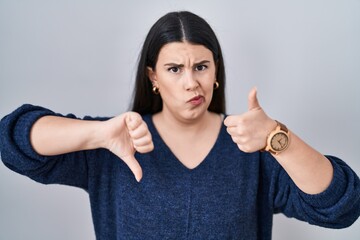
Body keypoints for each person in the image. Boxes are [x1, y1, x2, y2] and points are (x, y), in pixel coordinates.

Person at [0, 11, 359, 240]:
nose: (192, 82)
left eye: (201, 66)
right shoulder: (116, 142)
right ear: (153, 76)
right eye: (175, 69)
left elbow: (342, 207)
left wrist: (278, 138)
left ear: (216, 72)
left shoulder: (251, 147)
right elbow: (13, 140)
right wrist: (97, 134)